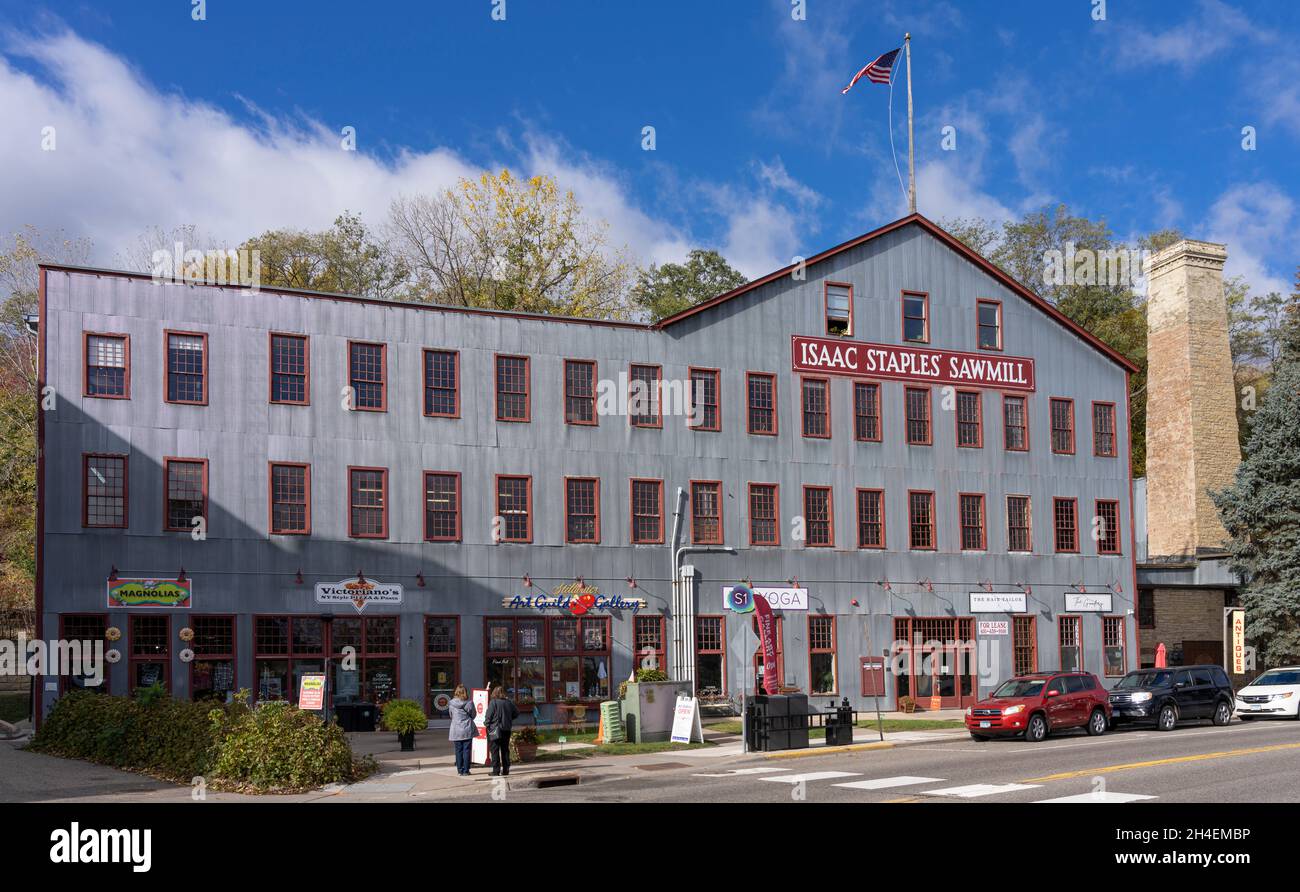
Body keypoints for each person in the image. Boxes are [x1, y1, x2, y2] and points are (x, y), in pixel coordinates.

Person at [483, 685, 519, 776]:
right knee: (505, 750)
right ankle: (506, 770)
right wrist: (509, 719)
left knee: (494, 750)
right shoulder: (509, 702)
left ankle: (496, 770)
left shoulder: (493, 702)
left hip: (494, 729)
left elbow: (488, 716)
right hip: (506, 729)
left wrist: (487, 725)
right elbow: (516, 713)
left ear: (494, 693)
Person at [447, 685, 477, 776]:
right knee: (467, 750)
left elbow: (451, 715)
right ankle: (466, 770)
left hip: (456, 729)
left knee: (458, 750)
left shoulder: (451, 703)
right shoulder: (469, 703)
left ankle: (460, 770)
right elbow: (473, 715)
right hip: (467, 728)